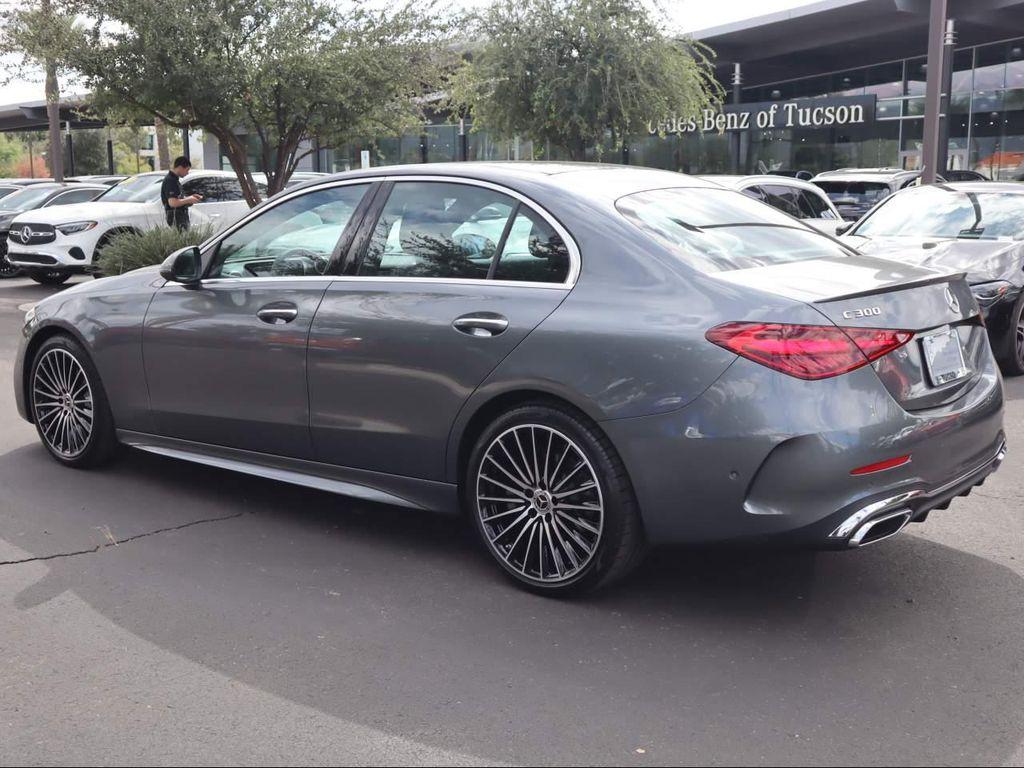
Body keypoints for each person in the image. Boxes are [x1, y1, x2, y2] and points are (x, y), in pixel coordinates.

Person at [161, 156, 202, 229]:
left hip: (180, 215)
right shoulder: (170, 180)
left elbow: (178, 198)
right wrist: (189, 200)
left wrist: (190, 198)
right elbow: (173, 203)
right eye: (187, 170)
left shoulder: (175, 180)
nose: (187, 173)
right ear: (180, 167)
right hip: (176, 216)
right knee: (184, 238)